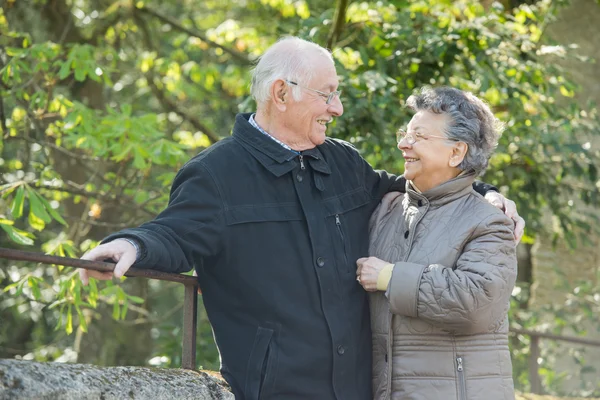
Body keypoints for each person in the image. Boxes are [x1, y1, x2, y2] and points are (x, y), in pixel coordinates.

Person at [79, 38, 523, 400]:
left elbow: (412, 187)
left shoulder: (343, 161)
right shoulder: (216, 173)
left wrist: (484, 191)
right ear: (280, 93)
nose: (338, 108)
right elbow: (174, 232)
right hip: (277, 389)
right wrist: (132, 244)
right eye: (327, 94)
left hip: (358, 388)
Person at [356, 86, 518, 400]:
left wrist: (390, 277)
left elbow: (477, 302)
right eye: (405, 133)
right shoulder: (386, 210)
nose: (404, 143)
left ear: (456, 152)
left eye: (419, 136)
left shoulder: (490, 222)